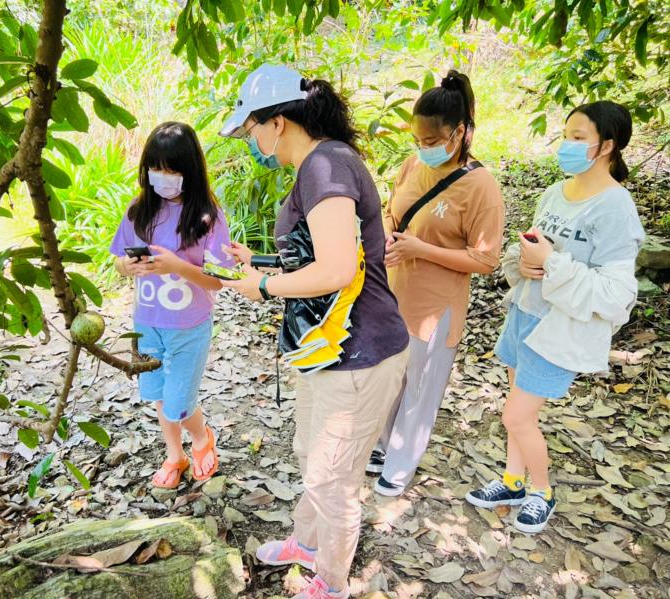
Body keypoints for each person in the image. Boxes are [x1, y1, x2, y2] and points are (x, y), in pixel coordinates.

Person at [218, 64, 410, 599]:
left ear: (277, 122)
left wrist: (263, 288)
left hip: (359, 351)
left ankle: (332, 581)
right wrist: (259, 262)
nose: (252, 142)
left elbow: (337, 269)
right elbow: (318, 254)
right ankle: (307, 543)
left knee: (333, 477)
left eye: (250, 130)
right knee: (313, 454)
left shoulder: (324, 166)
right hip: (328, 347)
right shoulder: (322, 164)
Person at [466, 100, 645, 533]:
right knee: (517, 410)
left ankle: (541, 492)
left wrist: (551, 263)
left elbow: (616, 293)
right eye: (566, 136)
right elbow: (534, 247)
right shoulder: (554, 193)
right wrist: (525, 262)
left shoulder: (616, 207)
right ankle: (513, 482)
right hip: (525, 313)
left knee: (516, 416)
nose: (567, 145)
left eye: (578, 138)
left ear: (607, 146)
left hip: (560, 329)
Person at [369, 70, 505, 497]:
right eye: (418, 140)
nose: (423, 148)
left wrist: (421, 249)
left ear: (459, 132)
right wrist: (389, 236)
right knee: (389, 375)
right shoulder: (414, 165)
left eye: (431, 140)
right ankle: (382, 445)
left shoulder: (480, 187)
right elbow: (392, 212)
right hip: (394, 292)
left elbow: (486, 259)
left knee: (420, 386)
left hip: (436, 305)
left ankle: (401, 464)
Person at [109, 122, 233, 489]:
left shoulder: (207, 216)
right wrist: (127, 266)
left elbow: (220, 280)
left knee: (180, 400)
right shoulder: (139, 210)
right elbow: (117, 261)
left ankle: (202, 437)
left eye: (171, 169)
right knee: (158, 394)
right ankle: (174, 454)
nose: (162, 177)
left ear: (189, 170)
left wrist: (178, 266)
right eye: (155, 168)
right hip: (147, 322)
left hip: (189, 325)